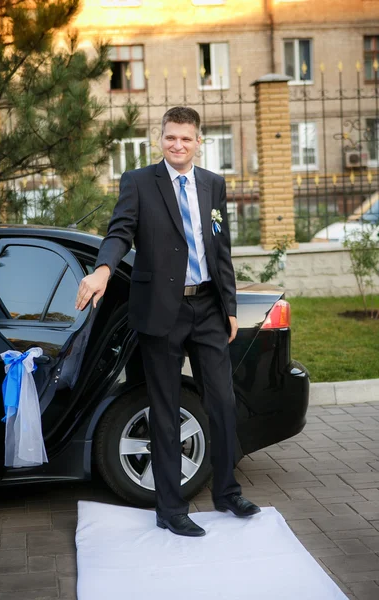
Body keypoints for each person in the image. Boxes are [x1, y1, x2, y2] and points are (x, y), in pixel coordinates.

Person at [75, 106, 260, 537]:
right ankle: (170, 507)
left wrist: (230, 306)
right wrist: (103, 269)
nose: (177, 144)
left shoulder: (214, 184)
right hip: (162, 311)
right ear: (160, 139)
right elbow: (120, 232)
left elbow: (221, 249)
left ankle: (228, 493)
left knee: (223, 402)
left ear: (199, 142)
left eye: (186, 138)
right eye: (170, 137)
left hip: (209, 308)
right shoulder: (139, 182)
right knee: (164, 408)